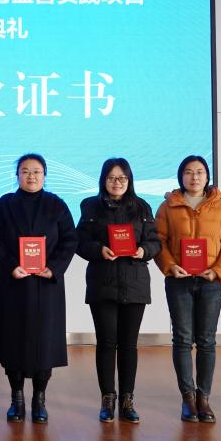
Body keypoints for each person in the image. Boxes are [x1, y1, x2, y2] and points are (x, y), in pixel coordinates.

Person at [0, 153, 78, 423]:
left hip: (46, 285)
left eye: (36, 171)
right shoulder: (4, 205)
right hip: (12, 283)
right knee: (12, 342)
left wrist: (54, 268)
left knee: (44, 343)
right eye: (25, 171)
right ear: (17, 175)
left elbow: (70, 240)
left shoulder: (56, 205)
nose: (31, 176)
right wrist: (11, 265)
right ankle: (17, 398)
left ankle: (39, 399)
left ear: (45, 175)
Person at [154, 155, 221, 423]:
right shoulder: (168, 207)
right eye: (189, 172)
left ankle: (204, 398)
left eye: (200, 172)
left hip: (210, 282)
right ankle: (188, 398)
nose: (194, 177)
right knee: (182, 339)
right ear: (181, 176)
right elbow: (159, 241)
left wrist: (218, 271)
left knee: (206, 341)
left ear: (207, 176)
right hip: (178, 280)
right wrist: (170, 266)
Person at [76, 158, 160, 423]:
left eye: (122, 178)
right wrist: (98, 249)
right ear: (103, 180)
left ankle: (127, 400)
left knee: (128, 345)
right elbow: (80, 241)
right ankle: (107, 398)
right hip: (103, 282)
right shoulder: (90, 206)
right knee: (106, 343)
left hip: (135, 282)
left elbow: (155, 241)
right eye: (112, 178)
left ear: (129, 180)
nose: (117, 183)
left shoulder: (143, 207)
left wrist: (143, 250)